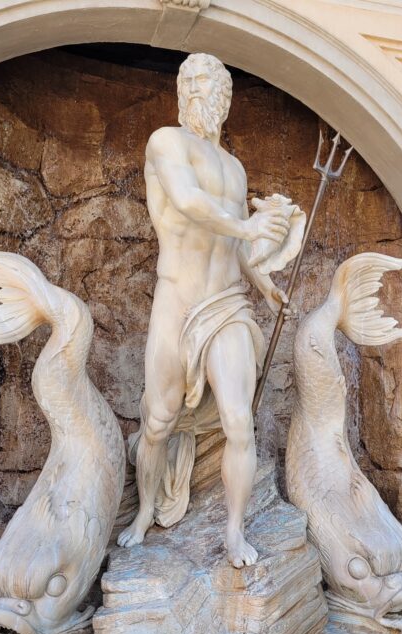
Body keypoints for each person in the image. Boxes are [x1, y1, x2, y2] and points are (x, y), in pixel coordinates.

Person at [116, 52, 296, 568]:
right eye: (187, 81)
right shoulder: (165, 142)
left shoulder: (236, 167)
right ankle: (145, 510)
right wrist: (247, 228)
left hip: (227, 305)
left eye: (205, 81)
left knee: (241, 423)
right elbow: (190, 201)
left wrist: (263, 284)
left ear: (224, 96)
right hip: (178, 298)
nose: (195, 89)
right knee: (158, 421)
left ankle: (235, 532)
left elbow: (236, 244)